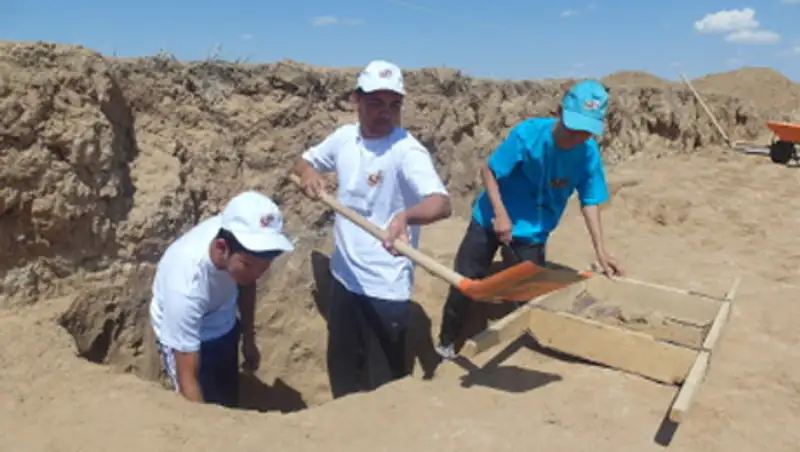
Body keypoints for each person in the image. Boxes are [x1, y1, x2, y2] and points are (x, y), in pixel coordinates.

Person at [291, 59, 452, 399]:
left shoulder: (406, 151)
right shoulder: (343, 139)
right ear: (356, 101)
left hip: (386, 288)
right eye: (376, 103)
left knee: (386, 387)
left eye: (394, 105)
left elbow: (441, 202)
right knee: (343, 370)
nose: (386, 112)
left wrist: (406, 217)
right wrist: (308, 174)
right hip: (344, 278)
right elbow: (304, 162)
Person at [435, 79, 626, 360]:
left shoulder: (587, 154)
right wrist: (500, 214)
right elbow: (489, 171)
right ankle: (447, 342)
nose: (578, 137)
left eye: (587, 131)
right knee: (466, 280)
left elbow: (590, 200)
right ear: (560, 112)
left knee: (526, 292)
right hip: (491, 217)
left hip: (534, 230)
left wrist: (601, 250)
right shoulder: (528, 135)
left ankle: (524, 345)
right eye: (574, 127)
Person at [149, 190, 295, 406]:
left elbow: (247, 284)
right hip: (188, 335)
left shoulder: (239, 239)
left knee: (226, 398)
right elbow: (186, 376)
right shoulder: (186, 285)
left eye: (264, 266)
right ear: (221, 248)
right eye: (249, 265)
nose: (257, 274)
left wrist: (248, 339)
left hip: (222, 321)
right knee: (197, 399)